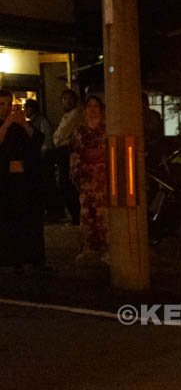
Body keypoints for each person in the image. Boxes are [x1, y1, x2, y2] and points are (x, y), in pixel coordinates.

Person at [0, 90, 46, 270]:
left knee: (26, 220)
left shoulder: (20, 125)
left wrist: (22, 124)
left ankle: (30, 257)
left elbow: (37, 141)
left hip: (23, 182)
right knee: (7, 221)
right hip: (4, 181)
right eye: (1, 105)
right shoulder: (5, 126)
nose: (4, 109)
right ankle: (9, 258)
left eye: (7, 104)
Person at [69, 95, 109, 262]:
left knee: (104, 215)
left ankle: (107, 249)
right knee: (87, 214)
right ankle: (88, 248)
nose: (92, 110)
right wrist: (77, 175)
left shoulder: (107, 130)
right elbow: (74, 155)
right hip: (86, 178)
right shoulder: (79, 132)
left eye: (96, 107)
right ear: (84, 110)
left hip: (104, 178)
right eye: (89, 107)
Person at [51, 89, 83, 224]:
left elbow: (60, 136)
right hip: (64, 152)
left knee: (67, 184)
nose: (68, 101)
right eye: (65, 98)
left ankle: (76, 216)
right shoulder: (67, 116)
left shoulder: (75, 115)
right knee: (65, 184)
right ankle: (74, 216)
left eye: (70, 98)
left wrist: (59, 138)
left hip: (68, 153)